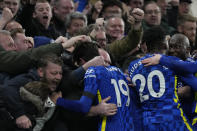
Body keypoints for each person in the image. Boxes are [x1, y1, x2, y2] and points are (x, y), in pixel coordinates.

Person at [53, 41, 142, 131]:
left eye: (108, 62)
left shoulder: (102, 74)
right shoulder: (115, 74)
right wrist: (95, 110)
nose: (105, 65)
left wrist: (59, 101)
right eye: (103, 62)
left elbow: (82, 107)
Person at [128, 26, 192, 130]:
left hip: (148, 122)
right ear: (163, 44)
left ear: (146, 45)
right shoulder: (171, 62)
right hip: (172, 117)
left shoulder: (132, 66)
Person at [2, 53, 64, 131]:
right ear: (41, 71)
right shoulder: (27, 81)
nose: (58, 77)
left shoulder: (54, 90)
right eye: (54, 73)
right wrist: (20, 114)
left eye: (60, 73)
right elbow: (6, 88)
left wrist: (51, 103)